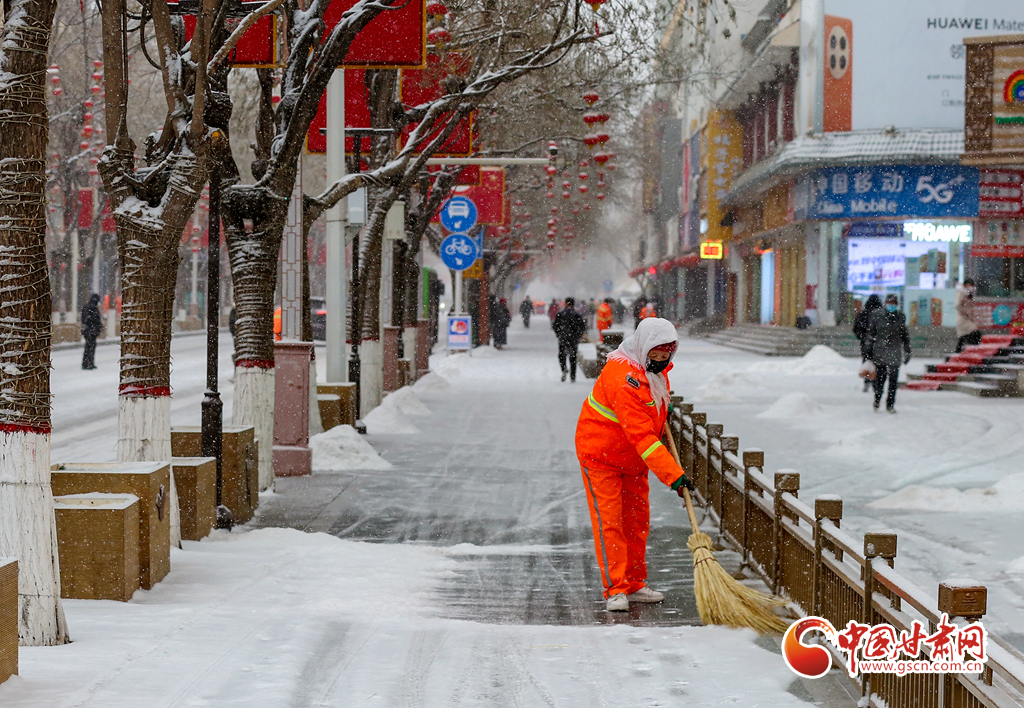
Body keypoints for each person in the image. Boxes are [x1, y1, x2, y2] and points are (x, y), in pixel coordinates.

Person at [575, 318, 695, 612]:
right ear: (643, 348)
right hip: (601, 456)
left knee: (637, 523)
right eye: (655, 354)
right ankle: (616, 589)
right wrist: (674, 476)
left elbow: (651, 420)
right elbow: (641, 435)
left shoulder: (655, 374)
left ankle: (635, 583)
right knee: (610, 523)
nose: (661, 360)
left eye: (666, 354)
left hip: (632, 460)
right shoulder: (623, 377)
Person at [867, 294, 911, 414]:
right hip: (880, 351)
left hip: (894, 351)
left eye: (893, 304)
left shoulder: (900, 317)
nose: (891, 306)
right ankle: (877, 399)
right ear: (885, 303)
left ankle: (890, 404)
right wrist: (868, 350)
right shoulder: (877, 316)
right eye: (889, 303)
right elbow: (871, 333)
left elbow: (904, 335)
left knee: (893, 380)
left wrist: (907, 351)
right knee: (880, 380)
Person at [852, 295, 882, 392]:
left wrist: (863, 337)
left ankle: (867, 380)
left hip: (865, 343)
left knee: (867, 361)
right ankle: (876, 382)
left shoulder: (863, 314)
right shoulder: (880, 315)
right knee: (878, 363)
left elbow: (856, 329)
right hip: (878, 343)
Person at [553, 297, 587, 382]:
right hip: (573, 339)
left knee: (562, 355)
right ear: (573, 304)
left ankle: (564, 368)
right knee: (573, 357)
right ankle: (573, 376)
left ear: (565, 303)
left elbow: (555, 326)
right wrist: (578, 336)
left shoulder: (560, 314)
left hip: (563, 338)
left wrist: (559, 334)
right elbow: (582, 327)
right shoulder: (576, 315)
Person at [955, 278, 981, 353]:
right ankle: (973, 351)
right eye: (969, 285)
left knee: (964, 337)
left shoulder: (969, 294)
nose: (971, 287)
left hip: (968, 319)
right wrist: (966, 313)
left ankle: (960, 353)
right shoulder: (962, 293)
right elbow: (958, 305)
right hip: (963, 319)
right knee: (975, 333)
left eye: (972, 285)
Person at [80, 293, 103, 370]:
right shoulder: (92, 308)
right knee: (90, 347)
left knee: (89, 347)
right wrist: (97, 327)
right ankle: (88, 363)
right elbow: (91, 319)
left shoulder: (88, 307)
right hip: (91, 331)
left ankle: (88, 363)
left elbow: (85, 319)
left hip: (89, 331)